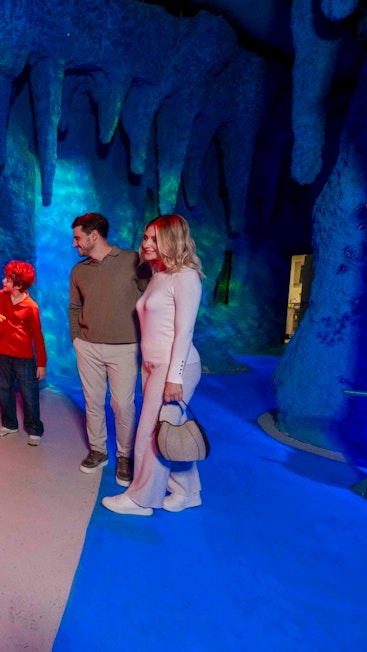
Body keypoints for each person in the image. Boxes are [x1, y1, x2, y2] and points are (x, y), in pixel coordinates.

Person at [102, 214, 204, 516]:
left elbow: (185, 331)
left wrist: (174, 378)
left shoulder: (186, 276)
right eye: (145, 237)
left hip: (175, 368)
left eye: (153, 239)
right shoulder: (160, 275)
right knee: (167, 429)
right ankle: (188, 492)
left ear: (171, 240)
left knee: (150, 431)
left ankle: (142, 500)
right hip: (154, 367)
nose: (145, 244)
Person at [69, 212, 145, 486]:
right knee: (92, 402)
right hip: (87, 347)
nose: (74, 244)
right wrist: (77, 339)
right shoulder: (79, 270)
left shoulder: (133, 262)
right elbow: (75, 307)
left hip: (125, 348)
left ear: (93, 235)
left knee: (123, 404)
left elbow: (153, 299)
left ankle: (125, 455)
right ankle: (99, 451)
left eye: (78, 238)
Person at [0, 261, 47, 446]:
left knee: (29, 394)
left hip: (24, 358)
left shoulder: (31, 307)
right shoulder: (0, 296)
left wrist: (41, 364)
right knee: (4, 390)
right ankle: (9, 424)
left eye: (8, 279)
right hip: (2, 355)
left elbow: (38, 335)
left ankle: (34, 429)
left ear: (19, 285)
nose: (3, 280)